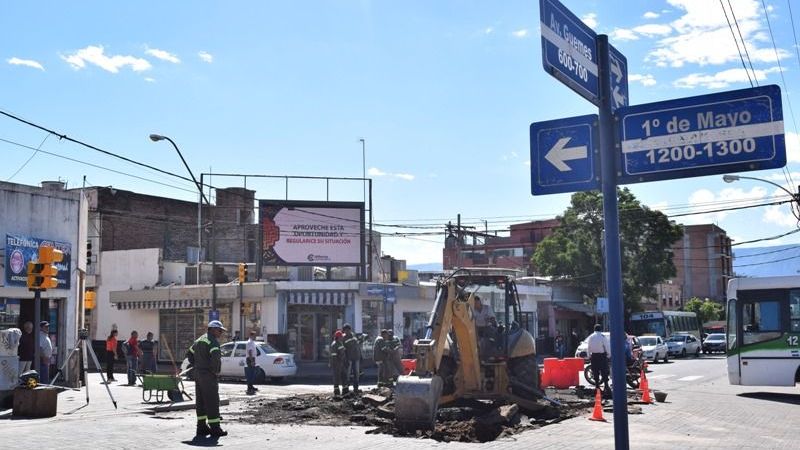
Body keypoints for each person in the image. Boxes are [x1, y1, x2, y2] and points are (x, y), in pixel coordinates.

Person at [187, 320, 227, 438]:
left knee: (201, 401)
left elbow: (189, 354)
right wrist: (215, 371)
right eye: (219, 330)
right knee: (212, 401)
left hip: (198, 374)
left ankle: (201, 427)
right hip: (208, 375)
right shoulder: (213, 341)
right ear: (213, 329)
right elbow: (216, 359)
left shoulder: (199, 340)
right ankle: (215, 428)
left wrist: (197, 364)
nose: (221, 333)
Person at [586, 324, 611, 396]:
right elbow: (607, 346)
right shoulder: (602, 337)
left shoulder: (591, 337)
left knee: (595, 371)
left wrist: (589, 356)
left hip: (594, 356)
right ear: (601, 329)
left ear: (594, 329)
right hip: (602, 356)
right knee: (604, 371)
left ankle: (597, 387)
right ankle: (606, 386)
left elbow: (588, 347)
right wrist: (609, 355)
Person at [341, 324, 361, 393]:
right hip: (348, 358)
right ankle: (346, 388)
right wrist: (345, 359)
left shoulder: (354, 336)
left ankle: (356, 388)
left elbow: (358, 345)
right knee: (347, 373)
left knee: (357, 373)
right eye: (345, 330)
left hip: (356, 357)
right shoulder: (343, 338)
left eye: (348, 330)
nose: (347, 331)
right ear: (344, 331)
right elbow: (343, 349)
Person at [329, 330, 347, 396]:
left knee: (344, 376)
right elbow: (334, 356)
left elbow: (342, 353)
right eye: (341, 336)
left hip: (341, 363)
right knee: (337, 378)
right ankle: (336, 393)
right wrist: (337, 365)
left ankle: (345, 391)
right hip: (337, 364)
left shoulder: (340, 343)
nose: (342, 337)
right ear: (338, 337)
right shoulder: (334, 344)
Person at [245, 330, 258, 395]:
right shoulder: (249, 342)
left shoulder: (252, 342)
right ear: (251, 335)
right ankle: (249, 388)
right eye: (254, 335)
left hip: (252, 358)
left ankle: (251, 386)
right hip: (250, 358)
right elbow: (250, 352)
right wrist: (252, 361)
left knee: (252, 373)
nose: (255, 337)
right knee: (250, 374)